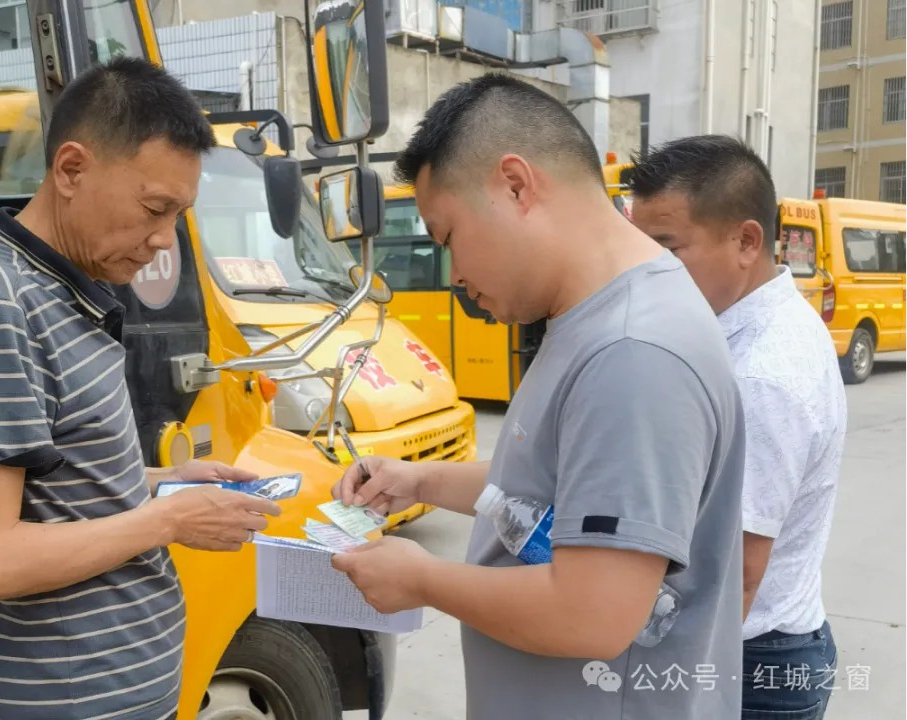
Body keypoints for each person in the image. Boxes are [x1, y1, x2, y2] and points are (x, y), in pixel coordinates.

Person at [330, 73, 748, 719]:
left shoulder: (633, 352)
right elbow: (557, 489)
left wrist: (420, 578)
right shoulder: (587, 316)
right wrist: (417, 481)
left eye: (449, 239)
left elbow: (593, 616)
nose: (457, 274)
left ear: (517, 185)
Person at [0, 57, 281, 720]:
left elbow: (56, 484)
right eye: (154, 208)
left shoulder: (64, 292)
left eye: (178, 214)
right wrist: (169, 519)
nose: (160, 239)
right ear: (70, 169)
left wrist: (159, 483)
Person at [628, 135, 846, 719]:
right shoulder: (750, 327)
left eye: (668, 248)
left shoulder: (762, 375)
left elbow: (735, 582)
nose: (649, 271)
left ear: (747, 240)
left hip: (754, 667)